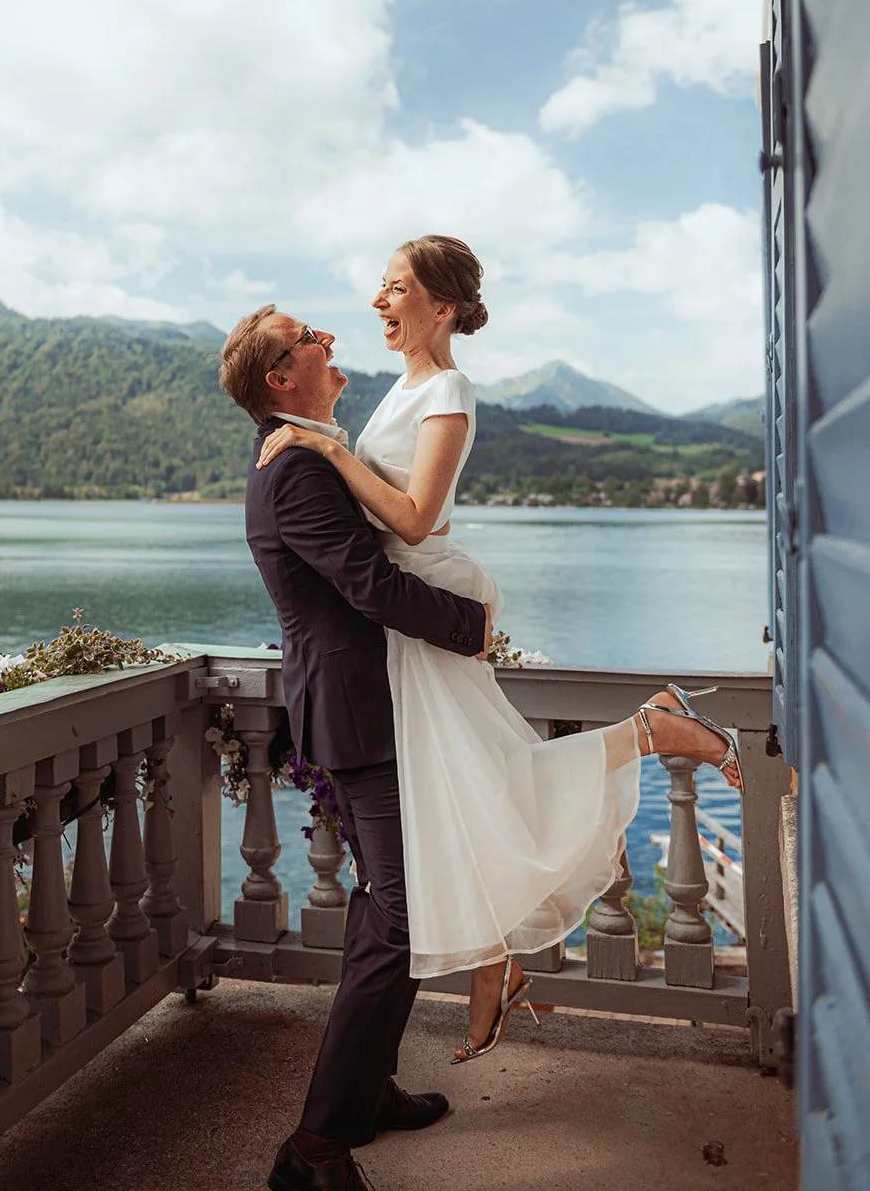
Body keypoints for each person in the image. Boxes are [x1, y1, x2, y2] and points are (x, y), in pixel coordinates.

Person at [255, 234, 744, 1067]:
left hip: (430, 605)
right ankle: (495, 963)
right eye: (379, 286)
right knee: (471, 790)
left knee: (494, 785)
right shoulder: (397, 391)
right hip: (405, 622)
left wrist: (327, 448)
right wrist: (320, 444)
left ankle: (652, 731)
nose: (377, 302)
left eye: (396, 287)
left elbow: (415, 520)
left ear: (440, 308)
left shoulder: (448, 387)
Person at [219, 306, 494, 1191]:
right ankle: (316, 1148)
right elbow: (369, 584)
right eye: (308, 337)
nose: (330, 338)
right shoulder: (293, 467)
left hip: (370, 704)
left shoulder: (308, 450)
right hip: (356, 710)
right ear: (279, 378)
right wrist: (469, 625)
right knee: (403, 911)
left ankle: (366, 1089)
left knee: (387, 901)